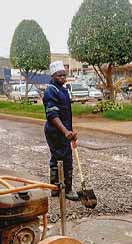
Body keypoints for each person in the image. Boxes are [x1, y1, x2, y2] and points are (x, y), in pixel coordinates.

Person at [43, 61, 79, 200]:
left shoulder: (62, 90)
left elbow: (65, 114)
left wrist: (71, 132)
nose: (63, 78)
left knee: (58, 158)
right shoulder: (51, 90)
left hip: (63, 130)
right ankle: (66, 190)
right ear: (53, 76)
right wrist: (65, 132)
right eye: (59, 76)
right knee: (65, 159)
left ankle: (56, 188)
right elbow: (52, 115)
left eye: (64, 75)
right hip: (55, 132)